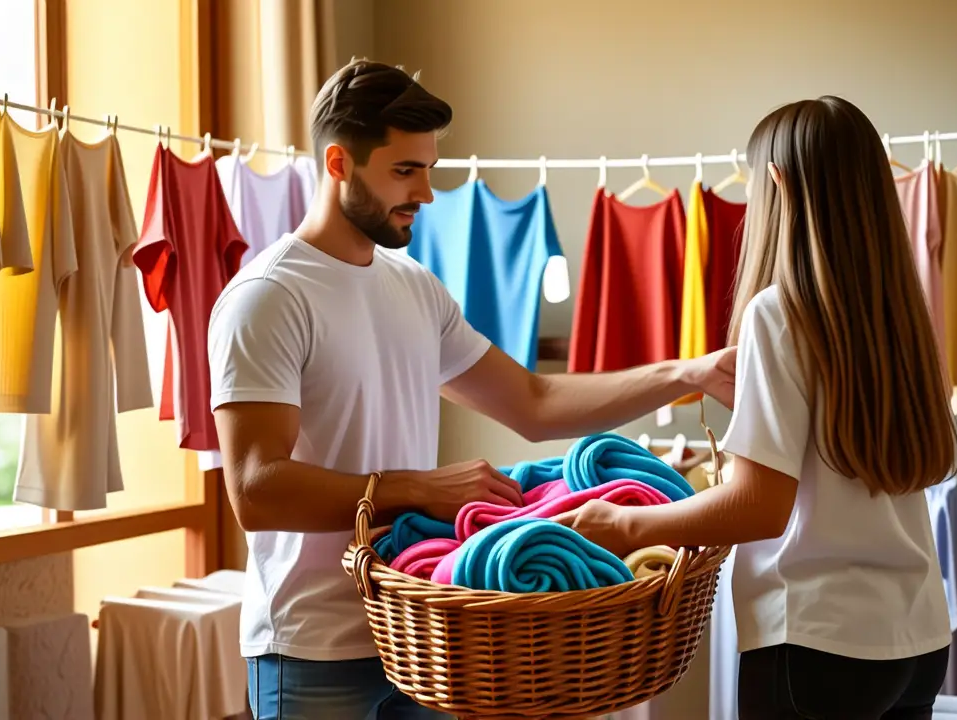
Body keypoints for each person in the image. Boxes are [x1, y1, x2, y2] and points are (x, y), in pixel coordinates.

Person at [207, 58, 737, 720]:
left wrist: (685, 374)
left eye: (430, 169)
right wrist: (418, 487)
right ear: (339, 164)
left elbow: (533, 405)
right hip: (310, 649)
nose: (426, 194)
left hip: (423, 635)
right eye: (405, 171)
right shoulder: (268, 298)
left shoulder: (413, 286)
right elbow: (256, 490)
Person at [555, 96, 957, 719]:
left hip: (818, 643)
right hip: (918, 637)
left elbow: (759, 507)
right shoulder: (899, 315)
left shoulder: (781, 314)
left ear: (777, 183)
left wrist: (624, 525)